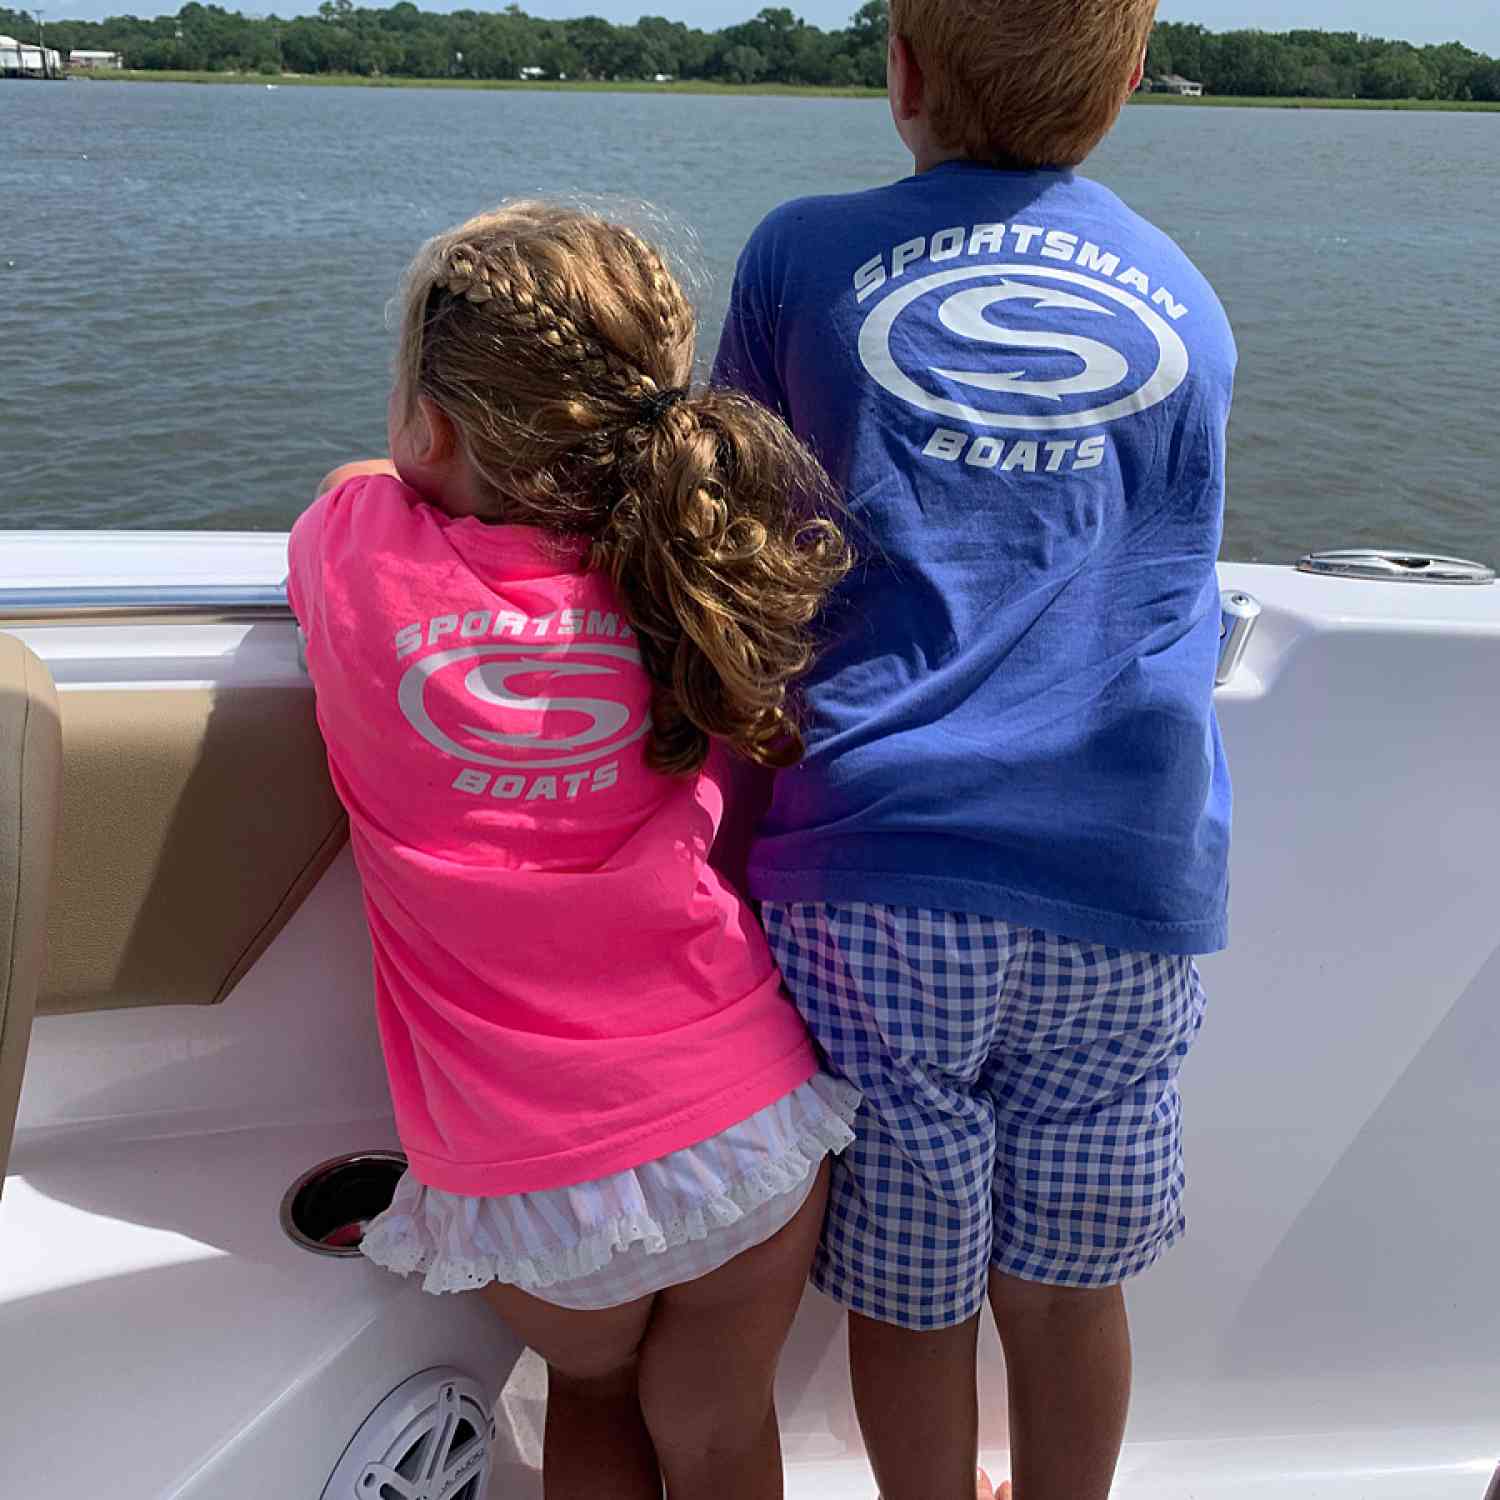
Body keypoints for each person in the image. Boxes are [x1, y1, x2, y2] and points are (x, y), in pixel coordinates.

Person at [712, 4, 1236, 1498]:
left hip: (878, 866)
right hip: (1123, 867)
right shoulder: (1190, 299)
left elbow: (723, 534)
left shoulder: (799, 254)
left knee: (914, 1285)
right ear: (1131, 80)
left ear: (904, 71)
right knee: (1071, 1288)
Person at [286, 202, 861, 1500]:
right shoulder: (692, 576)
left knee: (591, 1402)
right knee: (717, 1429)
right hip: (739, 1127)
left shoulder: (361, 562)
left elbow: (345, 492)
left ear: (431, 424)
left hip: (534, 1185)